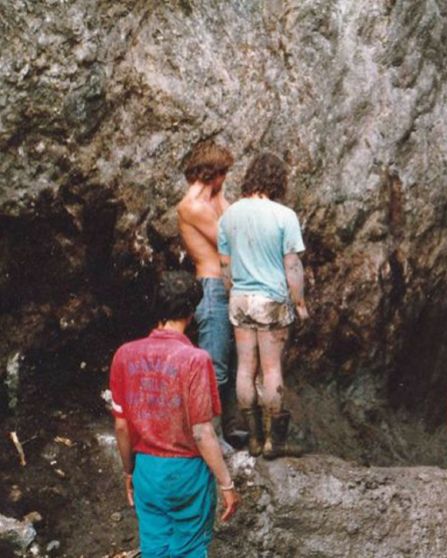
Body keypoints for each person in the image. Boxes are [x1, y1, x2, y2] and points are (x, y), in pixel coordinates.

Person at [109, 271, 239, 557]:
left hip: (146, 469)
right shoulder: (195, 360)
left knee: (154, 547)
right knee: (190, 548)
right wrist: (226, 483)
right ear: (192, 312)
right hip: (187, 472)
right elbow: (202, 431)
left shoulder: (124, 354)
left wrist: (128, 471)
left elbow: (121, 426)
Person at [218, 152, 308, 459]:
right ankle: (274, 442)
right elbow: (292, 265)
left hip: (240, 298)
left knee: (245, 368)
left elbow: (225, 266)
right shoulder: (284, 216)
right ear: (277, 181)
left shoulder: (228, 216)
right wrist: (299, 301)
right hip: (270, 299)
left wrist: (234, 292)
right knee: (271, 369)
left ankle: (254, 440)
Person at [176, 139, 245, 450]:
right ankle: (207, 437)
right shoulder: (192, 206)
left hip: (224, 288)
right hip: (211, 288)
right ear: (213, 174)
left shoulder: (212, 199)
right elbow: (229, 239)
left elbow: (233, 217)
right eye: (223, 174)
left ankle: (227, 430)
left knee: (229, 363)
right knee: (213, 365)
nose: (225, 180)